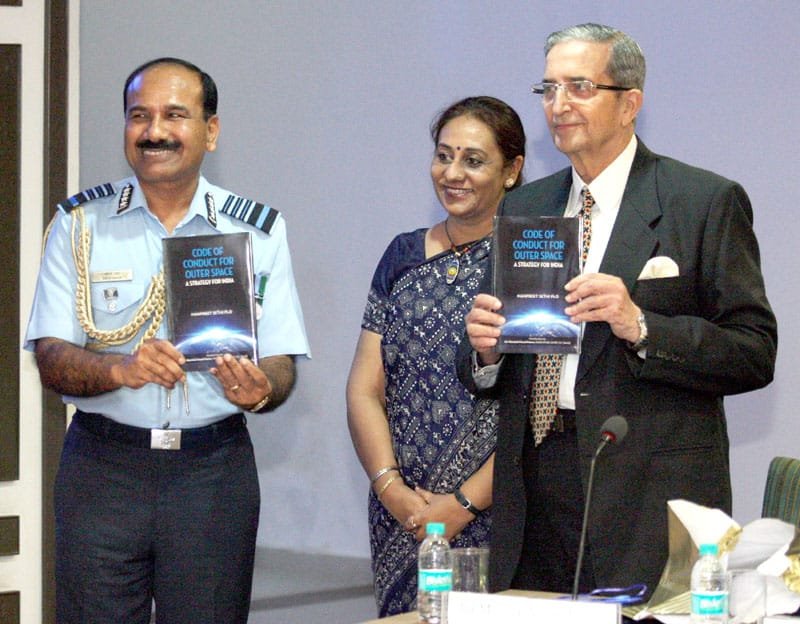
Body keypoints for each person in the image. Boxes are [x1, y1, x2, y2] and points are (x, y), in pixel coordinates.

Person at [457, 23, 777, 598]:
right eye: (548, 89)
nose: (558, 105)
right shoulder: (526, 204)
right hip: (535, 478)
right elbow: (488, 359)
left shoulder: (701, 201)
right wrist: (484, 350)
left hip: (645, 486)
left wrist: (642, 325)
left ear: (630, 103)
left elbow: (754, 352)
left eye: (579, 87)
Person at [24, 57, 310, 623]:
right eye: (139, 116)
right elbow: (51, 357)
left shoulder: (255, 231)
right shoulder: (79, 225)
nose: (154, 131)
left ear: (210, 130)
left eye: (174, 115)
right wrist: (119, 370)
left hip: (213, 472)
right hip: (103, 468)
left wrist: (258, 389)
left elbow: (281, 364)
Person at [347, 96, 525, 616]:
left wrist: (463, 503)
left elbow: (532, 410)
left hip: (494, 513)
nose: (453, 173)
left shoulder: (530, 262)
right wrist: (392, 490)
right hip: (404, 516)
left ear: (511, 170)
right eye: (443, 156)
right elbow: (364, 388)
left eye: (473, 160)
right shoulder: (401, 255)